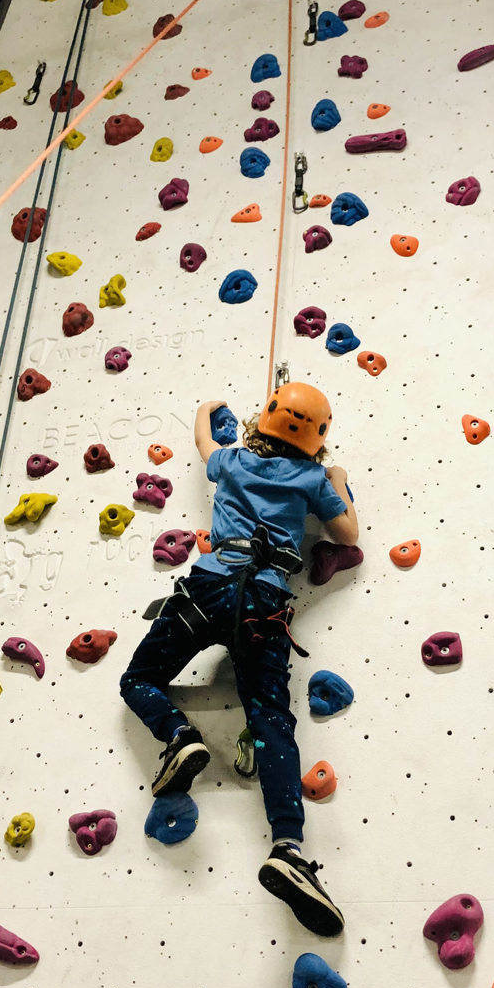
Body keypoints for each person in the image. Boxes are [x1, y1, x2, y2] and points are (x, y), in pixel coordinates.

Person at [120, 382, 358, 937]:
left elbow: (203, 442)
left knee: (139, 679)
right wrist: (340, 481)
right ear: (317, 441)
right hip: (263, 606)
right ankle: (289, 849)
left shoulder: (232, 461)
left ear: (263, 423)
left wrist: (204, 409)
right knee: (272, 721)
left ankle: (179, 735)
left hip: (206, 590)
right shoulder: (314, 479)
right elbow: (345, 530)